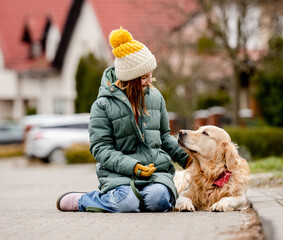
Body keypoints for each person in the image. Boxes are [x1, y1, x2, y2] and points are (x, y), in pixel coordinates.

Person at [56, 27, 192, 213]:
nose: (150, 81)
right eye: (144, 77)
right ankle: (83, 200)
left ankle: (136, 200)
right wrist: (133, 167)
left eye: (151, 74)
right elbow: (101, 148)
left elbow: (164, 136)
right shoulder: (103, 105)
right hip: (118, 174)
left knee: (158, 200)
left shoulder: (155, 97)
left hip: (156, 172)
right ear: (130, 78)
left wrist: (189, 160)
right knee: (126, 203)